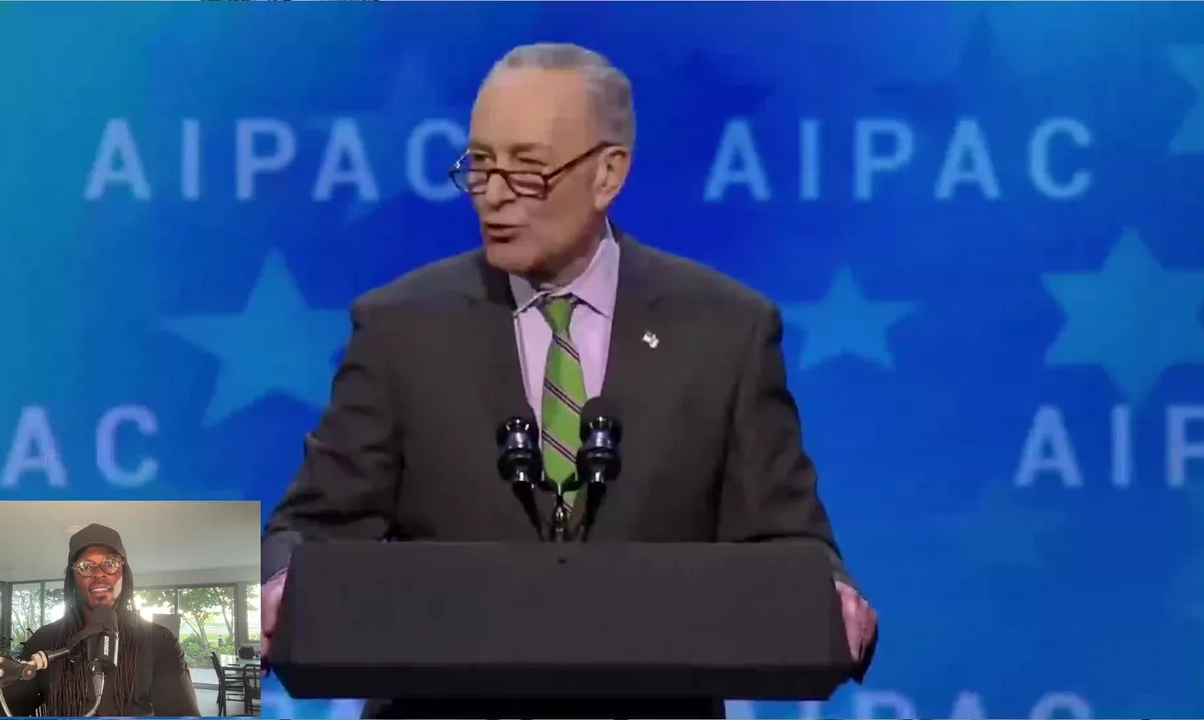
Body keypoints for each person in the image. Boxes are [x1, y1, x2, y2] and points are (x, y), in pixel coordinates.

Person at [262, 42, 878, 719]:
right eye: (481, 165)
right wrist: (267, 591)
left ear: (607, 174)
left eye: (527, 170)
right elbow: (309, 530)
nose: (494, 195)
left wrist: (830, 597)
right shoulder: (400, 327)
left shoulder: (727, 332)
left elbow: (788, 542)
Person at [0, 524, 201, 717]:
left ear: (123, 573)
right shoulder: (46, 639)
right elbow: (10, 701)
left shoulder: (159, 641)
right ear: (72, 578)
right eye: (86, 566)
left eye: (110, 564)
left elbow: (182, 713)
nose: (99, 575)